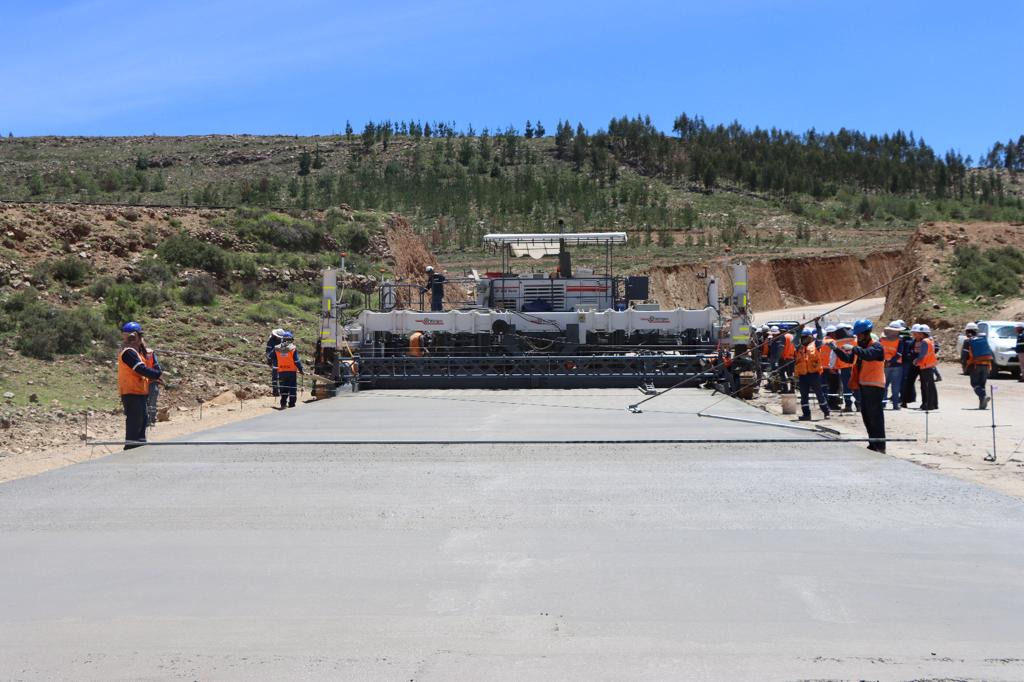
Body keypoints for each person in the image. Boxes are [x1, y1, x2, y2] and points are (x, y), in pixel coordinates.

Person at [829, 319, 886, 453]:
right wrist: (836, 350)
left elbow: (868, 355)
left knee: (875, 417)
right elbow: (849, 360)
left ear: (867, 333)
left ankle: (880, 445)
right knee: (866, 415)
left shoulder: (876, 347)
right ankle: (872, 443)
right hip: (864, 386)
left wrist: (854, 348)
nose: (858, 337)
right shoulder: (861, 349)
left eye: (860, 335)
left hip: (875, 387)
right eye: (857, 335)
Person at [117, 321, 163, 450]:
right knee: (135, 422)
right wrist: (157, 374)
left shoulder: (137, 353)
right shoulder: (128, 352)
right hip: (131, 392)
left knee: (142, 420)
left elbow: (145, 368)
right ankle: (131, 449)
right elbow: (140, 369)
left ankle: (139, 448)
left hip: (139, 392)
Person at [794, 327, 830, 421]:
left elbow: (820, 336)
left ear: (810, 338)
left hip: (814, 375)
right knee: (804, 397)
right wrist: (799, 331)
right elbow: (794, 340)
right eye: (802, 337)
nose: (803, 339)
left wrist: (818, 326)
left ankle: (826, 412)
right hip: (803, 375)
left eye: (805, 337)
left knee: (819, 394)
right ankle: (806, 414)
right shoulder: (799, 347)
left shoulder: (816, 345)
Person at [962, 322, 993, 409]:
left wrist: (965, 367)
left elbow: (964, 356)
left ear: (967, 331)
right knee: (982, 385)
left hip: (975, 365)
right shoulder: (983, 339)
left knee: (974, 384)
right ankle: (982, 404)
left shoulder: (968, 341)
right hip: (986, 364)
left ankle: (984, 396)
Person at [271, 331, 304, 409]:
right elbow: (296, 361)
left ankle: (283, 404)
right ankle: (291, 405)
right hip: (291, 372)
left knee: (284, 388)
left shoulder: (277, 348)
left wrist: (273, 364)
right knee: (292, 388)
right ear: (291, 340)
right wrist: (301, 369)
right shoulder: (292, 348)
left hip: (281, 372)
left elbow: (270, 357)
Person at [831, 323, 857, 413]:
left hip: (844, 368)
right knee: (856, 386)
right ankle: (859, 405)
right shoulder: (855, 340)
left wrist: (831, 366)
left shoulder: (837, 343)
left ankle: (848, 405)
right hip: (856, 367)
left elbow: (833, 357)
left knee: (846, 387)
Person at [913, 324, 939, 411]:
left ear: (923, 333)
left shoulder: (924, 341)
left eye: (920, 333)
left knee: (927, 386)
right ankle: (934, 404)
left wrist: (916, 361)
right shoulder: (930, 340)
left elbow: (922, 354)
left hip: (925, 366)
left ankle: (929, 405)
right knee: (931, 386)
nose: (918, 334)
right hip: (930, 365)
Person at [139, 332, 162, 426]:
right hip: (139, 382)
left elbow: (157, 367)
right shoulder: (133, 354)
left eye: (142, 342)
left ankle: (151, 420)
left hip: (152, 381)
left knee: (152, 400)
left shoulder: (150, 353)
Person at [880, 321, 904, 410]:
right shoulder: (900, 340)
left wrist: (886, 361)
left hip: (885, 365)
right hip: (896, 365)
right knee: (895, 386)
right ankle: (895, 405)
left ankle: (883, 404)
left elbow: (879, 350)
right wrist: (891, 361)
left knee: (884, 385)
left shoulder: (882, 339)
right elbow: (899, 353)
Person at [266, 328, 286, 397]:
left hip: (282, 359)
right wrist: (269, 360)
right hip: (274, 359)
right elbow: (268, 351)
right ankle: (275, 391)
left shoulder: (283, 341)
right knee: (274, 376)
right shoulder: (271, 340)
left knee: (282, 376)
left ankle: (282, 390)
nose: (279, 338)